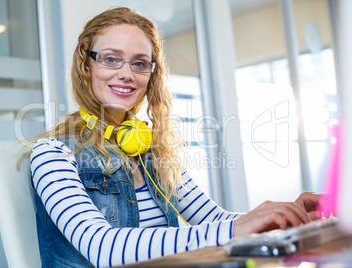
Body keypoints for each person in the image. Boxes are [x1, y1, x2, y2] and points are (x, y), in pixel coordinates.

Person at [29, 7, 321, 268]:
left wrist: (282, 217)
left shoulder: (151, 149)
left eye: (140, 63)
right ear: (86, 65)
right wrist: (237, 229)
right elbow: (103, 248)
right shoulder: (52, 152)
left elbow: (213, 220)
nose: (127, 73)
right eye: (111, 59)